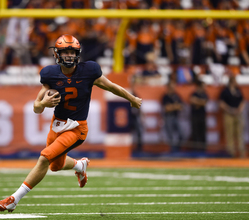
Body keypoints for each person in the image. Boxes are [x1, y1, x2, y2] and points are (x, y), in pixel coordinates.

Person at [0, 34, 142, 212]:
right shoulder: (50, 74)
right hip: (56, 124)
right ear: (57, 54)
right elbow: (37, 107)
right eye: (65, 51)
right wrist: (43, 104)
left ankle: (14, 199)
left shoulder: (89, 71)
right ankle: (79, 165)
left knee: (44, 157)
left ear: (78, 53)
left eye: (72, 51)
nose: (69, 55)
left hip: (76, 128)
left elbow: (112, 86)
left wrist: (132, 98)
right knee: (55, 165)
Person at [219, 76, 245, 157]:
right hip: (228, 114)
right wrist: (230, 109)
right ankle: (231, 153)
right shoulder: (225, 91)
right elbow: (221, 103)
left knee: (239, 133)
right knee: (229, 133)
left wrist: (239, 109)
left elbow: (242, 101)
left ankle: (241, 152)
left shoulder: (238, 91)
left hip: (238, 114)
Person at [161, 80, 184, 153]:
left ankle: (177, 148)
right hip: (168, 117)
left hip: (176, 116)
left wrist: (172, 107)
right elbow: (166, 108)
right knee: (170, 135)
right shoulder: (165, 97)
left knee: (181, 134)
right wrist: (175, 106)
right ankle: (172, 151)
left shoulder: (176, 96)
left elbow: (181, 106)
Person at [189, 80, 208, 152]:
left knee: (202, 132)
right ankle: (195, 150)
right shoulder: (194, 94)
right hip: (195, 116)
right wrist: (200, 102)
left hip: (202, 115)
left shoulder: (204, 94)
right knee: (195, 132)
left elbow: (204, 102)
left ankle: (203, 149)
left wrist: (197, 102)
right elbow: (192, 100)